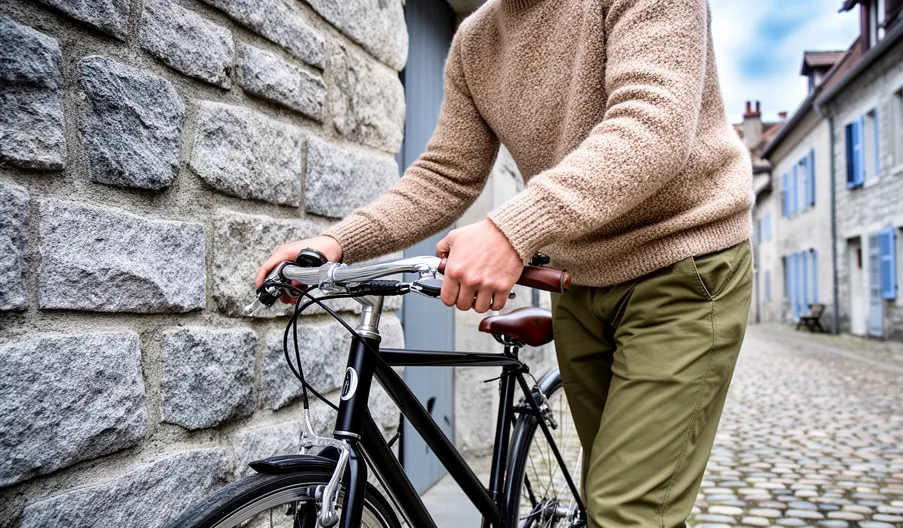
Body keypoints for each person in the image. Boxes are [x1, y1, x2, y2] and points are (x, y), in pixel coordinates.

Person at [257, 0, 753, 525]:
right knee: (602, 486)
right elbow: (445, 174)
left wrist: (509, 230)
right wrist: (338, 242)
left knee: (628, 511)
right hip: (580, 281)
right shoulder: (475, 40)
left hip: (684, 264)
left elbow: (653, 126)